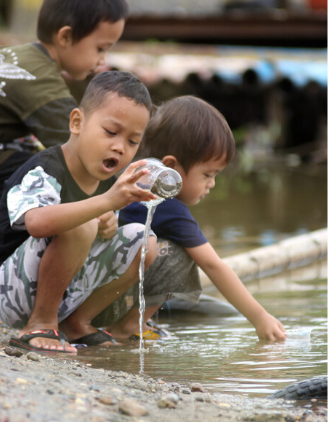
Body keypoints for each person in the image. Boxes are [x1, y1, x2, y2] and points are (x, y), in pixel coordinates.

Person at [0, 71, 159, 354]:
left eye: (132, 142)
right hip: (8, 291)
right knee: (81, 223)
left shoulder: (107, 182)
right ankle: (40, 322)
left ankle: (77, 322)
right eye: (111, 132)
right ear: (77, 122)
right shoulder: (46, 167)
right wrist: (105, 203)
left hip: (64, 290)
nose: (119, 147)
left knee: (145, 242)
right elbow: (36, 222)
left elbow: (102, 233)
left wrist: (109, 223)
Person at [118, 96, 287, 341]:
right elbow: (213, 265)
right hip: (106, 282)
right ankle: (130, 324)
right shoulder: (168, 207)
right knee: (182, 253)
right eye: (208, 174)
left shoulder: (131, 176)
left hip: (96, 280)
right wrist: (260, 317)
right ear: (171, 167)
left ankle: (128, 317)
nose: (212, 183)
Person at [0, 0, 128, 204]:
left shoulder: (9, 53)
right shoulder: (40, 79)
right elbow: (82, 145)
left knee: (36, 152)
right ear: (65, 37)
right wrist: (119, 192)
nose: (102, 60)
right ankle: (11, 235)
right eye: (100, 49)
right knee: (55, 175)